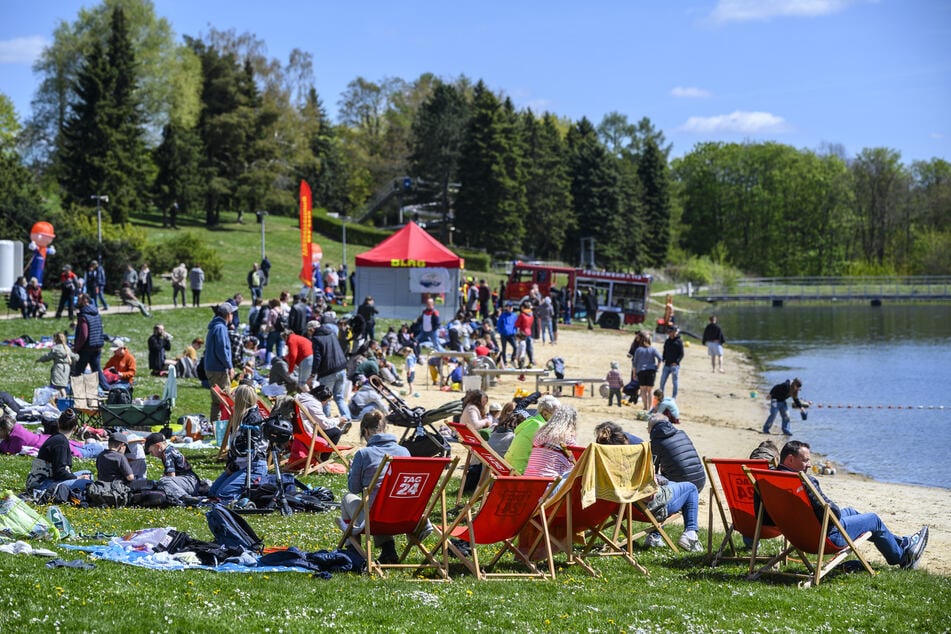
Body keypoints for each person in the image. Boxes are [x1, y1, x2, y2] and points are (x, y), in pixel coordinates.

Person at [778, 440, 928, 569]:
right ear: (790, 460)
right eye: (805, 460)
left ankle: (902, 543)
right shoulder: (803, 482)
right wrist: (831, 505)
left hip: (798, 536)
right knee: (873, 519)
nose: (809, 465)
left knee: (850, 511)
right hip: (825, 538)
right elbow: (833, 514)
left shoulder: (771, 479)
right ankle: (901, 557)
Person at [594, 421, 703, 551]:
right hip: (647, 509)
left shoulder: (601, 459)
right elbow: (649, 497)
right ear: (623, 438)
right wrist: (654, 480)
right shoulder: (635, 459)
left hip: (619, 506)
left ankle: (655, 536)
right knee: (690, 488)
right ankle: (690, 534)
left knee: (672, 483)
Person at [340, 410, 414, 565]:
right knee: (381, 499)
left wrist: (351, 471)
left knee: (349, 498)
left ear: (365, 431)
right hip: (404, 516)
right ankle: (388, 550)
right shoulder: (404, 451)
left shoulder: (364, 454)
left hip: (376, 519)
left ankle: (354, 550)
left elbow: (354, 488)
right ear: (384, 428)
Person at [208, 385, 269, 502]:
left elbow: (248, 451)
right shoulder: (242, 416)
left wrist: (233, 467)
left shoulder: (253, 418)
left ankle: (244, 498)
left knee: (223, 495)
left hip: (253, 466)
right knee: (213, 492)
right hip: (240, 464)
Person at [26, 409, 93, 495]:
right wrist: (77, 477)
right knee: (87, 482)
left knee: (88, 473)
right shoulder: (61, 443)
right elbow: (59, 472)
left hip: (41, 480)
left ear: (58, 423)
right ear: (75, 428)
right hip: (42, 485)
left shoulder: (56, 438)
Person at [1, 413, 103, 460]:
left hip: (46, 443)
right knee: (80, 447)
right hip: (46, 439)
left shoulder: (18, 437)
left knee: (85, 453)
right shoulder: (17, 430)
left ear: (4, 429)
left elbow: (10, 449)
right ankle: (99, 446)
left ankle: (102, 448)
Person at [648, 414, 705, 493]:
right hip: (700, 482)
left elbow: (653, 468)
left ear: (652, 428)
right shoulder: (682, 433)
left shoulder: (656, 442)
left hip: (681, 487)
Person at [504, 395, 560, 475]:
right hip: (521, 471)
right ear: (545, 413)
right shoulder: (540, 427)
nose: (558, 417)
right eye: (556, 414)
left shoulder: (531, 421)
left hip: (508, 466)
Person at [309, 314, 350, 418]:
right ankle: (347, 418)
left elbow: (317, 358)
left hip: (328, 372)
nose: (309, 334)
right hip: (341, 368)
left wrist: (313, 374)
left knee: (325, 399)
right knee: (339, 396)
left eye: (309, 331)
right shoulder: (332, 333)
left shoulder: (316, 339)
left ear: (313, 329)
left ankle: (327, 420)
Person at [144, 432, 201, 505]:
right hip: (192, 482)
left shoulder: (167, 454)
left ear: (158, 446)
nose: (152, 455)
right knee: (162, 482)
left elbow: (171, 476)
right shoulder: (170, 449)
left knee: (163, 482)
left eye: (151, 452)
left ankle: (184, 497)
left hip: (189, 482)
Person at [523, 406, 577, 479]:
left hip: (529, 480)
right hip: (550, 484)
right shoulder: (567, 437)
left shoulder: (541, 433)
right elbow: (575, 461)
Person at [204, 303, 235, 421]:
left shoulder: (215, 326)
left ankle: (215, 426)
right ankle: (222, 427)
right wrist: (229, 366)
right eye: (232, 313)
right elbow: (221, 350)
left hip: (212, 367)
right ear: (228, 315)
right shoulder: (220, 328)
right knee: (224, 400)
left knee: (217, 401)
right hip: (218, 369)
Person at [71, 294, 104, 378]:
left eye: (79, 300)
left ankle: (75, 390)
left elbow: (84, 335)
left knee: (78, 371)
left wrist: (76, 348)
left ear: (85, 300)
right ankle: (108, 389)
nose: (77, 302)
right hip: (97, 347)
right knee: (97, 372)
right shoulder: (96, 313)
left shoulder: (83, 316)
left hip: (86, 349)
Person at [631, 332, 662, 411]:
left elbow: (635, 363)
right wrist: (657, 367)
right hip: (651, 371)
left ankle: (645, 407)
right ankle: (650, 407)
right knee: (650, 390)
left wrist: (634, 373)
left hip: (641, 371)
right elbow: (660, 358)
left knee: (643, 390)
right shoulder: (652, 349)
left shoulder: (638, 350)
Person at [659, 325, 684, 399]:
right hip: (666, 364)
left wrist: (676, 362)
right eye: (668, 332)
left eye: (671, 332)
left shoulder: (679, 342)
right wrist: (663, 358)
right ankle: (661, 396)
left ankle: (674, 396)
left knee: (674, 382)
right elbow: (664, 350)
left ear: (674, 332)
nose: (669, 333)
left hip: (674, 366)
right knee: (662, 381)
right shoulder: (667, 341)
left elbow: (681, 354)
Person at [515, 302, 535, 367]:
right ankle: (531, 361)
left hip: (523, 333)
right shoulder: (531, 315)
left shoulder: (522, 315)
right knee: (529, 349)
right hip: (529, 332)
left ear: (523, 307)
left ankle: (521, 363)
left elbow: (517, 324)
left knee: (522, 349)